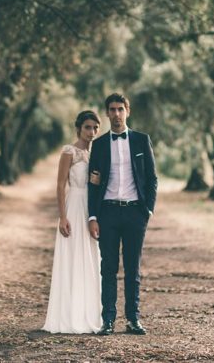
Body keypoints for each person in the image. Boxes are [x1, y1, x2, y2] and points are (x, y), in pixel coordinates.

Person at [87, 93, 158, 336]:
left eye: (120, 109)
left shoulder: (141, 140)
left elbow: (152, 178)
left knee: (132, 269)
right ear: (107, 113)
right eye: (112, 110)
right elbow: (92, 184)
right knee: (108, 268)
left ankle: (133, 319)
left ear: (127, 111)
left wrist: (147, 210)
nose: (116, 114)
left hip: (135, 213)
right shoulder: (98, 145)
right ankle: (108, 320)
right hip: (107, 212)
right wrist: (92, 216)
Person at [42, 110, 103, 334]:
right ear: (79, 128)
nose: (92, 132)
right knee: (73, 256)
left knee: (90, 257)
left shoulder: (98, 153)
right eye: (88, 127)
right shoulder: (69, 152)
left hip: (93, 209)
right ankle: (69, 315)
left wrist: (99, 180)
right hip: (75, 206)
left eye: (96, 128)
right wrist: (62, 217)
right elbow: (60, 186)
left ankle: (89, 312)